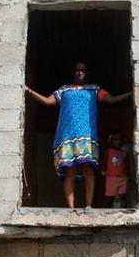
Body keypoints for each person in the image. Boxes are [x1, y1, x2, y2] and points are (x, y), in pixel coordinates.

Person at [23, 61, 132, 208]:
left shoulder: (94, 89)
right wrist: (29, 91)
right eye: (77, 70)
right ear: (73, 72)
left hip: (87, 135)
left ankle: (88, 206)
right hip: (67, 135)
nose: (80, 73)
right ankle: (71, 208)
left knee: (88, 170)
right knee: (70, 172)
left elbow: (111, 99)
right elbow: (48, 102)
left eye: (83, 71)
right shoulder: (64, 90)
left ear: (87, 73)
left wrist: (133, 93)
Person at [102, 131, 129, 208]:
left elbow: (127, 163)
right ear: (111, 141)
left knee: (123, 196)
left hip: (123, 177)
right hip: (111, 178)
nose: (118, 142)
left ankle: (124, 213)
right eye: (116, 140)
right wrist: (103, 171)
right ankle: (107, 213)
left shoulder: (124, 153)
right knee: (110, 198)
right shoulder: (108, 151)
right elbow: (104, 162)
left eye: (120, 140)